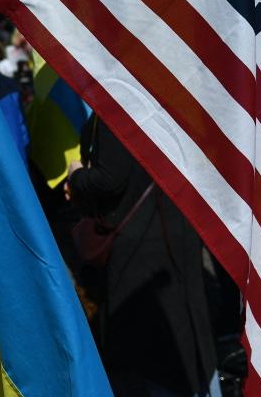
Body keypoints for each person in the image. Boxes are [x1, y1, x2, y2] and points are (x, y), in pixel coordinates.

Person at [66, 114, 218, 397]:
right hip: (174, 234)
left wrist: (76, 176)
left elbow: (110, 178)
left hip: (139, 250)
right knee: (184, 347)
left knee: (151, 359)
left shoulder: (117, 106)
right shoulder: (159, 96)